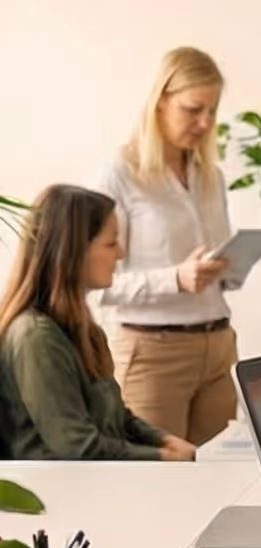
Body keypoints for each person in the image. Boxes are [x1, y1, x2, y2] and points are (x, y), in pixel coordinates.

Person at [96, 47, 236, 447]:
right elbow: (100, 283)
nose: (205, 122)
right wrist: (175, 278)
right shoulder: (119, 175)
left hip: (218, 347)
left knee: (216, 479)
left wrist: (229, 268)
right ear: (160, 101)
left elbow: (213, 267)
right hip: (154, 354)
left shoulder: (211, 176)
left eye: (212, 111)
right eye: (193, 109)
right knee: (155, 485)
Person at [0, 185, 195, 461]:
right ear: (73, 251)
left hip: (99, 482)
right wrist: (162, 457)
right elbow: (76, 447)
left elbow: (117, 418)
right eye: (111, 242)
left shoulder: (84, 330)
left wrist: (165, 440)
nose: (121, 253)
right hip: (65, 494)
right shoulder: (36, 337)